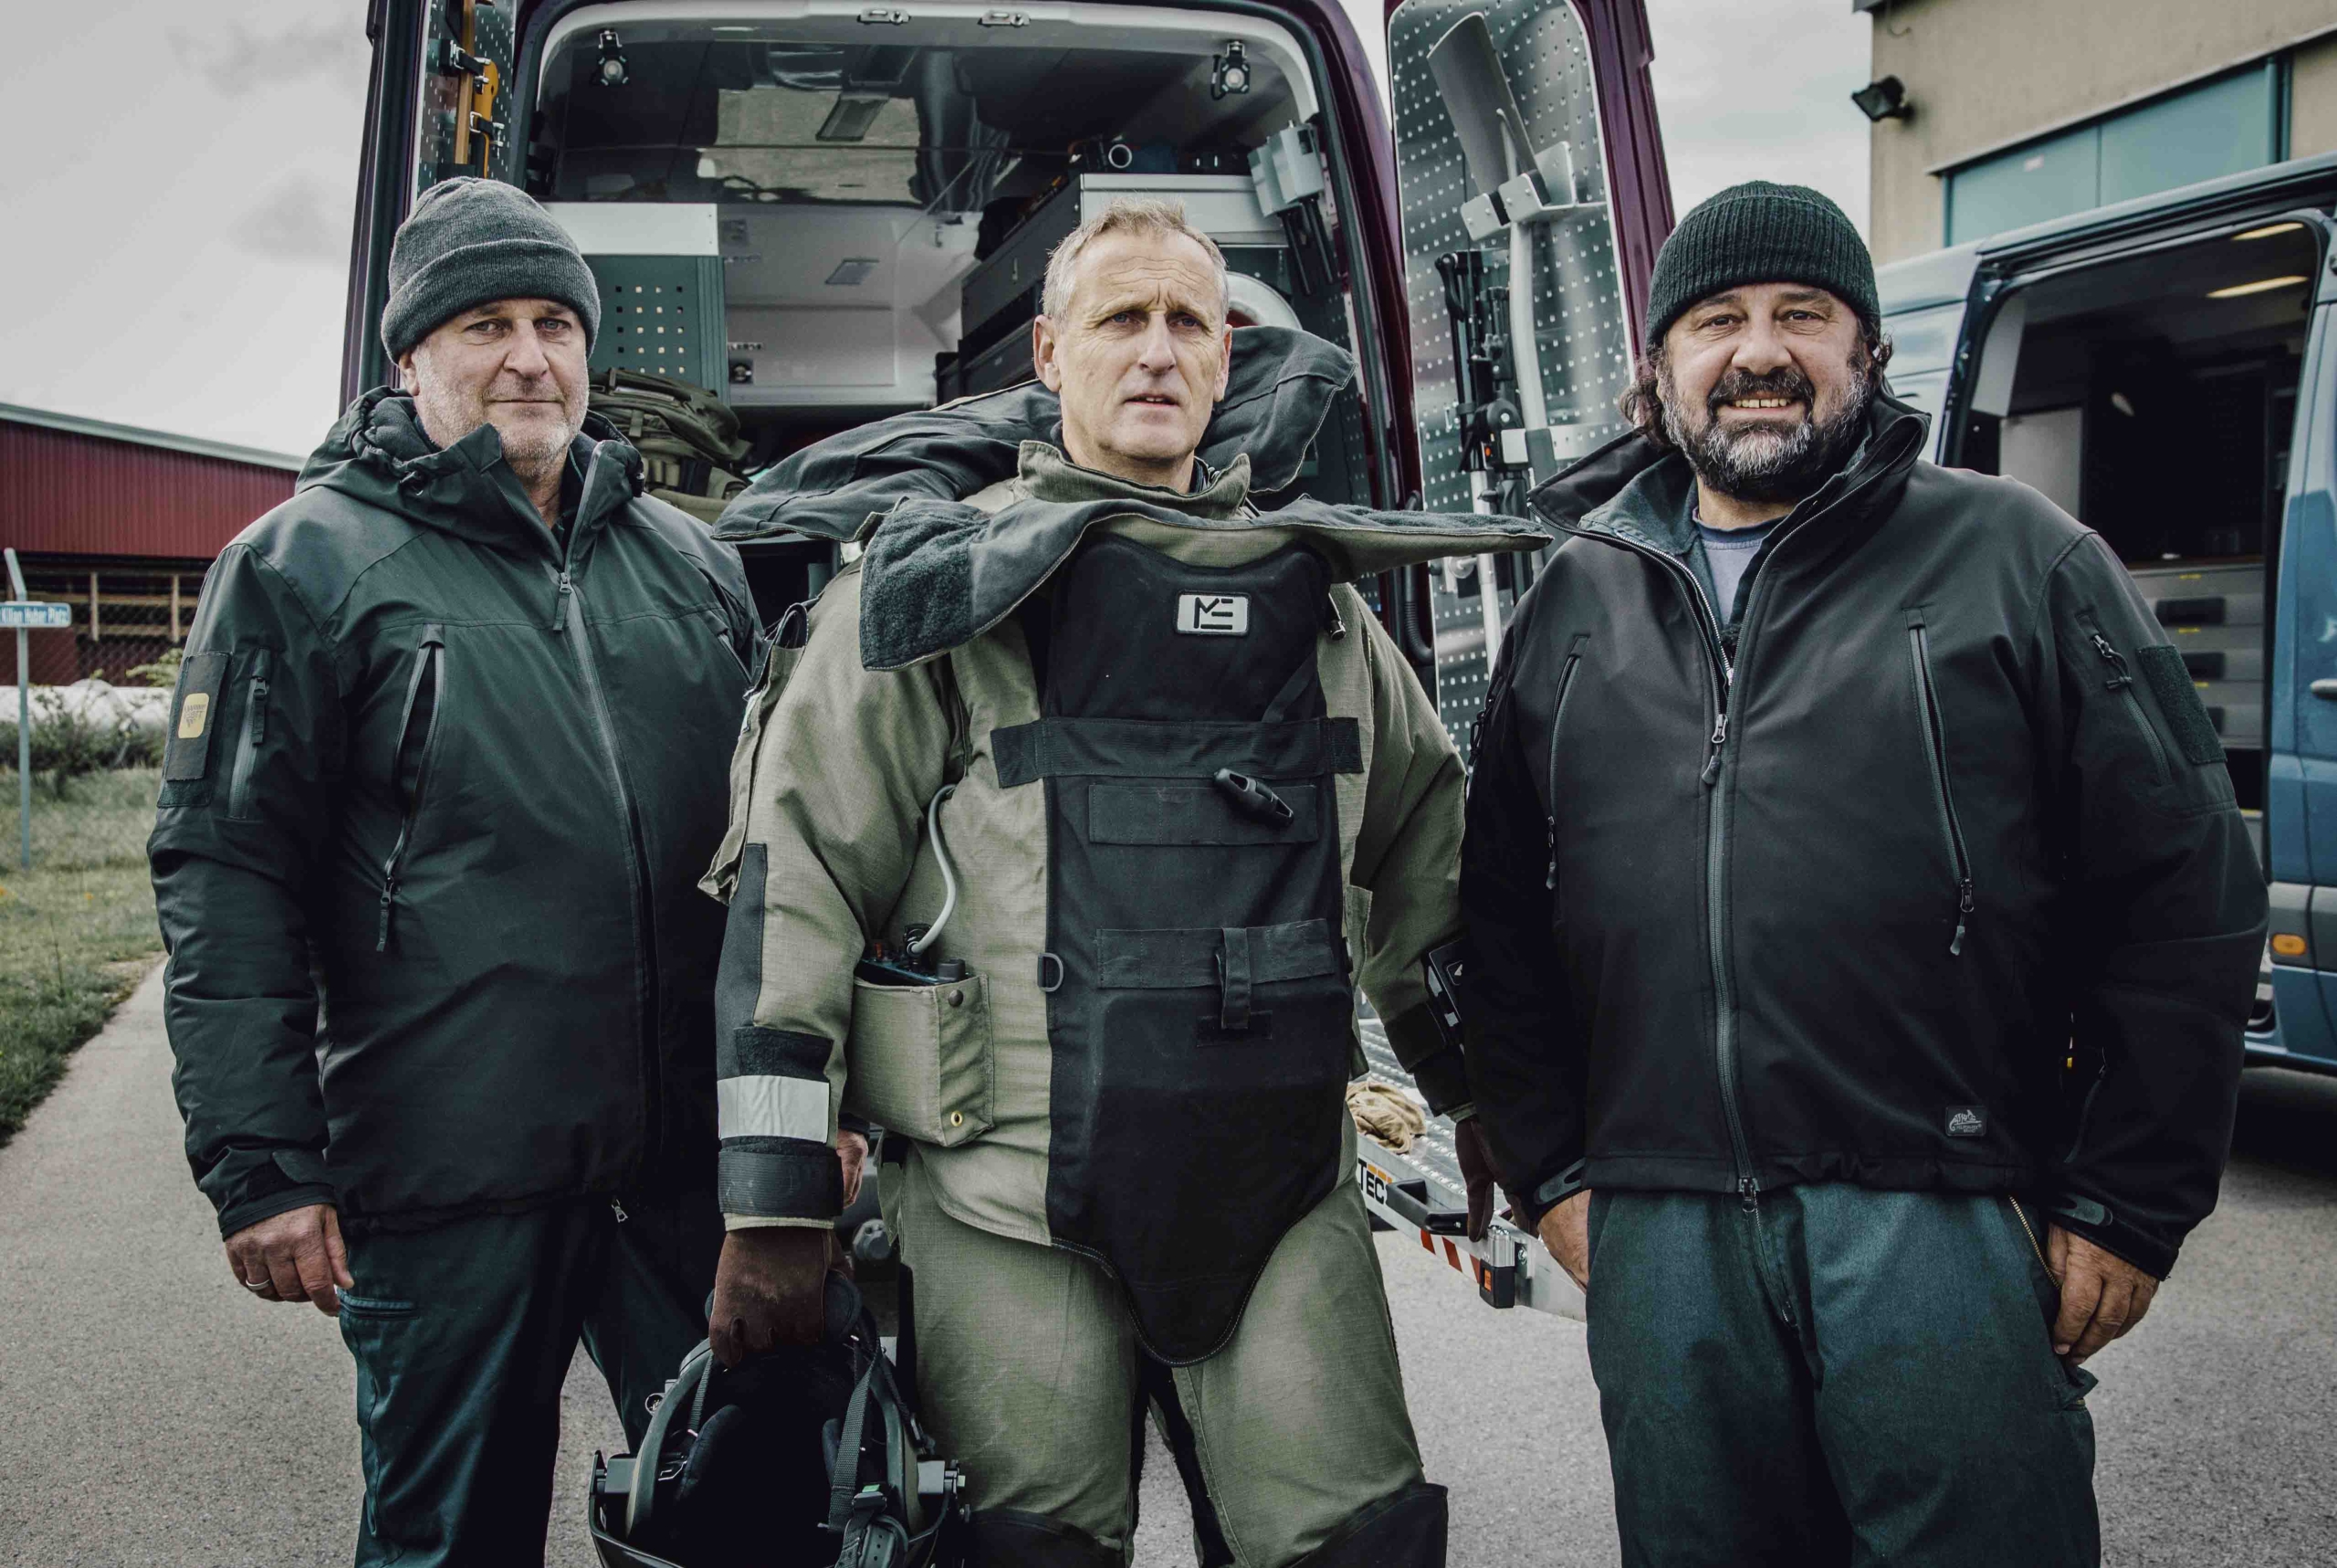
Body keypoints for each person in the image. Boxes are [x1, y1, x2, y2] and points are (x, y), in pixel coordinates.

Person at [702, 198, 1531, 1567]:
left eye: (1187, 323)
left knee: (1359, 1543)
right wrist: (777, 1205)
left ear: (1224, 357)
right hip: (1004, 1200)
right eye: (1119, 319)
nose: (1156, 351)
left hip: (1279, 1192)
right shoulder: (932, 592)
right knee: (1027, 1550)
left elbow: (1428, 863)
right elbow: (798, 883)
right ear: (1047, 352)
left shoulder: (1316, 607)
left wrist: (1487, 1092)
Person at [1462, 181, 2267, 1565]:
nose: (1759, 349)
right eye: (1716, 319)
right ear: (1654, 369)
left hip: (1938, 1210)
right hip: (1663, 1230)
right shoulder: (1575, 598)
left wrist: (2129, 1196)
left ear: (1868, 353)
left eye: (1804, 315)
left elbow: (2183, 891)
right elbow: (1498, 921)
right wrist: (1553, 1174)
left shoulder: (2019, 559)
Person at [150, 177, 764, 1567]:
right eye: (485, 323)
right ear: (410, 357)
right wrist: (262, 1165)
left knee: (744, 1513)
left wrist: (803, 1127)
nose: (530, 356)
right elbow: (225, 870)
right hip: (446, 1177)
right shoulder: (305, 567)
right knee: (453, 1542)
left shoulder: (690, 567)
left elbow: (784, 869)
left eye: (556, 321)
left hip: (681, 1173)